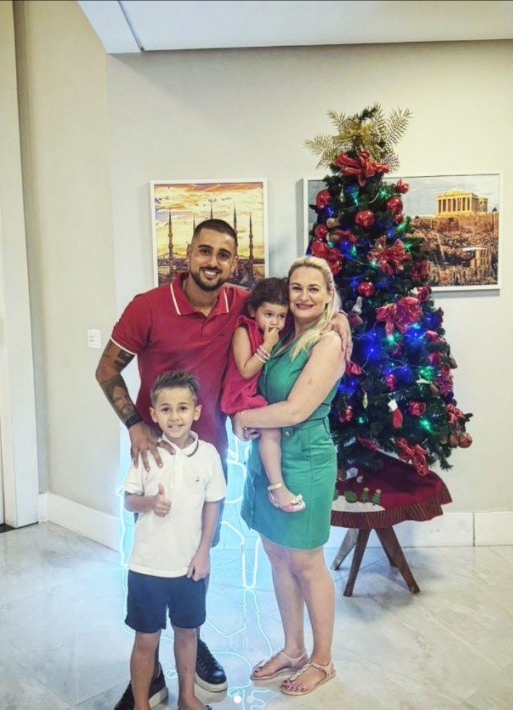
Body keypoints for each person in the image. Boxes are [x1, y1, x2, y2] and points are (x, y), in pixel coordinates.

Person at [96, 219, 351, 709]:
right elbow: (106, 368)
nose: (212, 262)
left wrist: (338, 319)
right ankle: (148, 666)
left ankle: (192, 644)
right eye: (205, 251)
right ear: (188, 253)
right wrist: (134, 424)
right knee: (155, 552)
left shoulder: (241, 303)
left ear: (234, 263)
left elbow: (297, 303)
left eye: (223, 254)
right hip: (156, 456)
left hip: (211, 455)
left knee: (198, 556)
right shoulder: (147, 306)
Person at [233, 255, 345, 697]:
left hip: (305, 459)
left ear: (328, 294)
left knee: (306, 561)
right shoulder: (280, 336)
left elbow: (297, 409)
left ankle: (322, 660)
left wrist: (243, 417)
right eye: (296, 287)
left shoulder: (328, 342)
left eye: (314, 288)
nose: (303, 296)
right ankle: (294, 649)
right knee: (277, 555)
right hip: (270, 458)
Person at [124, 371, 226, 710]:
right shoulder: (146, 453)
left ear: (196, 411)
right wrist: (150, 503)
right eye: (166, 409)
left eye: (183, 408)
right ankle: (141, 703)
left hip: (188, 568)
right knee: (146, 639)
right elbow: (129, 500)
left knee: (187, 633)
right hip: (147, 567)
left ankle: (187, 696)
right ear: (154, 414)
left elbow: (212, 504)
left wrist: (203, 553)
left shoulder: (208, 455)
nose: (175, 416)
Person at [220, 277, 305, 513]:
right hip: (241, 393)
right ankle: (277, 488)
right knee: (271, 430)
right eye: (268, 314)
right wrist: (267, 345)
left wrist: (340, 318)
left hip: (255, 392)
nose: (275, 322)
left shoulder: (278, 330)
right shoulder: (244, 331)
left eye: (281, 316)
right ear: (253, 310)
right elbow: (246, 370)